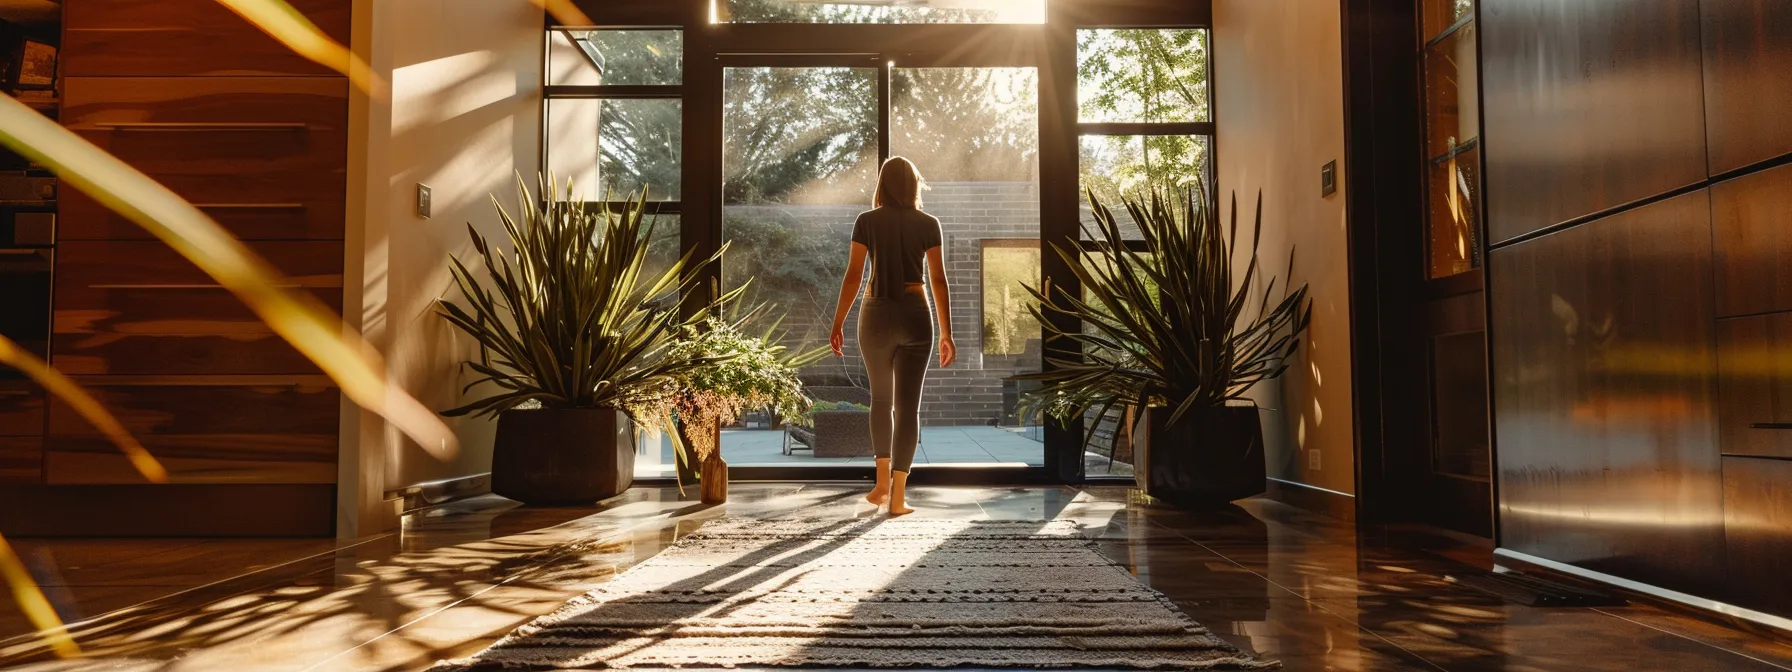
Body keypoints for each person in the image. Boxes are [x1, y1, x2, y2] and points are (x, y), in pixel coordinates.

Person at [829, 156, 956, 516]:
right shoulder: (929, 223)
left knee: (881, 401)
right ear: (914, 185)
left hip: (876, 316)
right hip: (917, 315)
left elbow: (854, 275)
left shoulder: (866, 221)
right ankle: (898, 497)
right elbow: (938, 280)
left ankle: (881, 483)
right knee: (908, 406)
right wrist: (947, 332)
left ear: (882, 185)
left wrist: (837, 321)